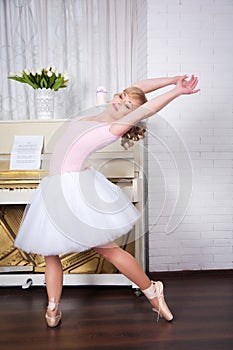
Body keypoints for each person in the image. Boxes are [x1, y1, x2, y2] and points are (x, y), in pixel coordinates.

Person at [14, 74, 199, 327]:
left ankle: (152, 291)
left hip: (76, 192)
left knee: (109, 250)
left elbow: (146, 107)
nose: (120, 102)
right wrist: (172, 79)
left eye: (126, 107)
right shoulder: (104, 110)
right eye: (121, 96)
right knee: (50, 253)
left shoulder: (114, 128)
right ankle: (53, 306)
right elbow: (138, 89)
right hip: (55, 188)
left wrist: (176, 91)